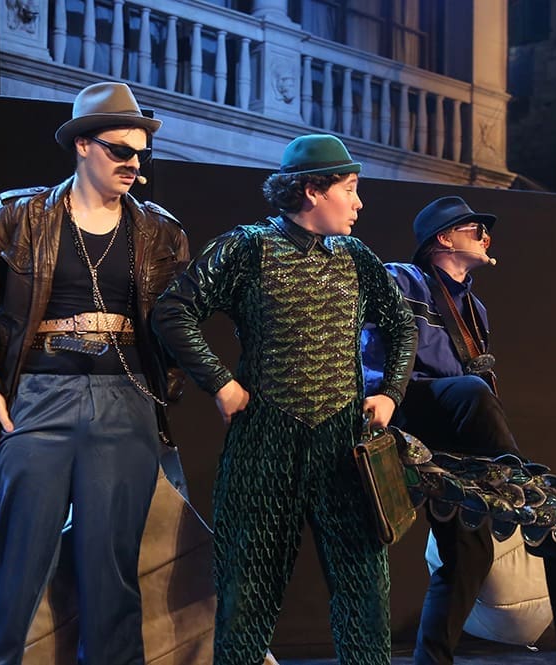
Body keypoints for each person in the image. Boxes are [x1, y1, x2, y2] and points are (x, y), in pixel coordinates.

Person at [0, 81, 189, 665]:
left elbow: (182, 318)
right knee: (17, 563)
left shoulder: (160, 230)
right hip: (40, 396)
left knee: (113, 572)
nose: (134, 164)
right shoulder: (21, 216)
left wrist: (171, 388)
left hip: (126, 400)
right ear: (82, 145)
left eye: (140, 154)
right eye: (120, 151)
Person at [151, 134, 417, 665]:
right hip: (264, 443)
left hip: (344, 446)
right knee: (248, 589)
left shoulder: (356, 257)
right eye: (350, 188)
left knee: (364, 589)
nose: (359, 202)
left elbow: (402, 326)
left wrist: (390, 393)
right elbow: (172, 311)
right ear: (314, 190)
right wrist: (220, 383)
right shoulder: (247, 248)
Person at [361, 196, 556, 665]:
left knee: (468, 557)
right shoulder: (401, 278)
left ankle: (441, 659)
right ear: (443, 238)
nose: (486, 238)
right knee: (473, 391)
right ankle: (543, 512)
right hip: (405, 410)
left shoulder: (475, 309)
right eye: (475, 230)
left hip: (454, 435)